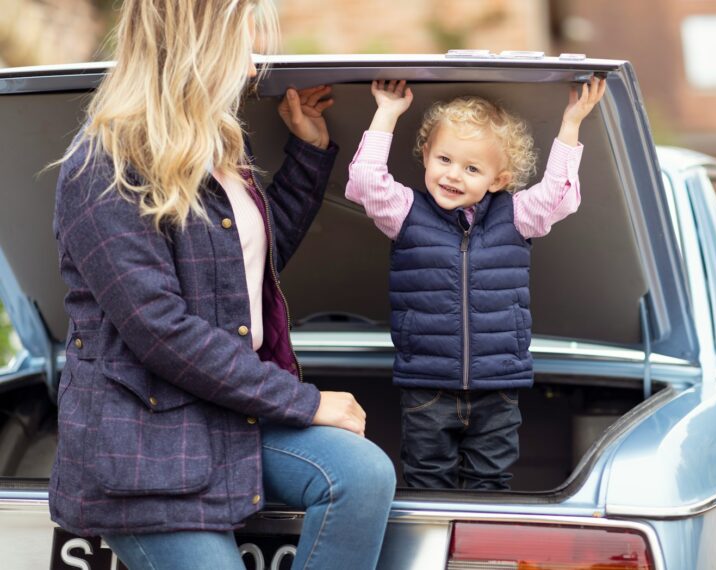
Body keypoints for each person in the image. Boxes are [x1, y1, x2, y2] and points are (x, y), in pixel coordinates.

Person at [49, 1, 395, 569]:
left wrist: (308, 152)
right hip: (145, 444)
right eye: (245, 33)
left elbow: (242, 266)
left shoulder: (218, 142)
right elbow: (162, 332)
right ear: (200, 41)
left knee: (363, 473)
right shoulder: (101, 164)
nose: (256, 57)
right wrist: (307, 404)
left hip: (226, 410)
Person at [346, 78, 606, 490]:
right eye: (444, 159)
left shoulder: (517, 215)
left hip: (497, 388)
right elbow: (365, 182)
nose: (453, 175)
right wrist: (387, 113)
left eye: (471, 168)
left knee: (490, 484)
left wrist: (571, 124)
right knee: (426, 482)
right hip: (427, 385)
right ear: (426, 156)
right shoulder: (405, 211)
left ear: (498, 180)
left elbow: (560, 196)